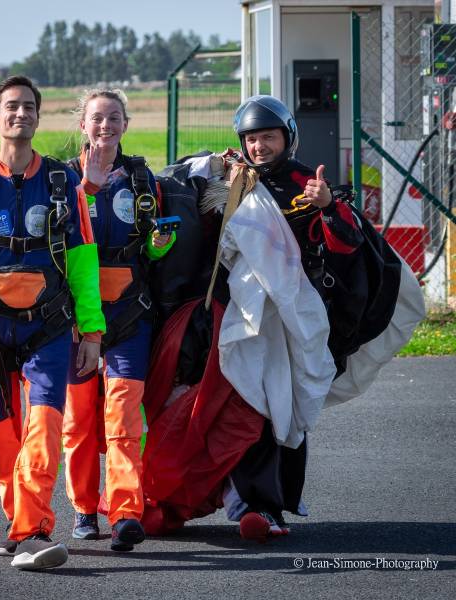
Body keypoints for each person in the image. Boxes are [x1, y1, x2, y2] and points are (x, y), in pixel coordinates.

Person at [139, 95, 366, 541]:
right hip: (225, 314)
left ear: (288, 137)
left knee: (266, 405)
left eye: (268, 137)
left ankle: (260, 507)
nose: (259, 146)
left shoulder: (308, 184)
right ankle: (170, 499)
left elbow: (346, 245)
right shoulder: (229, 178)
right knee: (200, 405)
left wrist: (325, 206)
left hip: (281, 320)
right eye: (252, 139)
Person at [0, 76, 105, 570]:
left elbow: (83, 263)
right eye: (11, 107)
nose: (21, 114)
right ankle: (21, 520)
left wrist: (92, 333)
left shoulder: (61, 184)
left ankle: (32, 531)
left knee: (45, 428)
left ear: (37, 116)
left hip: (48, 329)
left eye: (29, 107)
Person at [62, 89, 175, 551]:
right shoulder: (60, 177)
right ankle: (85, 509)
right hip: (73, 317)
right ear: (82, 125)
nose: (105, 126)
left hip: (130, 312)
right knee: (80, 420)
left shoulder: (143, 179)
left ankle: (126, 510)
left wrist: (160, 245)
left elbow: (150, 248)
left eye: (113, 118)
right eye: (96, 118)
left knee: (125, 416)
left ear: (125, 124)